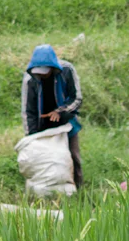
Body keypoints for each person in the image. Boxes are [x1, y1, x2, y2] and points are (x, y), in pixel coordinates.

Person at [21, 44, 83, 189]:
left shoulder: (67, 70)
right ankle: (44, 190)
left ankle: (78, 190)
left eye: (45, 71)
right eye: (39, 72)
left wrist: (60, 111)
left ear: (53, 67)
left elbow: (77, 99)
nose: (42, 75)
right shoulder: (29, 80)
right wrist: (31, 135)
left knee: (73, 157)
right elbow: (27, 110)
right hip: (42, 125)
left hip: (66, 122)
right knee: (43, 159)